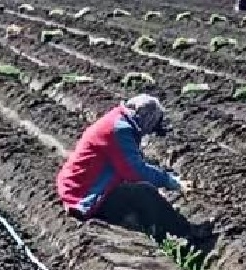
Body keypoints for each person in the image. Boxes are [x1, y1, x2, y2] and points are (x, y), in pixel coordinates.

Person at [55, 93, 213, 252]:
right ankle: (186, 234)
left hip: (78, 185)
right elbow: (135, 170)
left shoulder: (118, 118)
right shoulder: (119, 130)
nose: (147, 133)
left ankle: (158, 232)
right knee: (144, 192)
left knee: (138, 193)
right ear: (147, 120)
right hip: (82, 194)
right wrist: (171, 182)